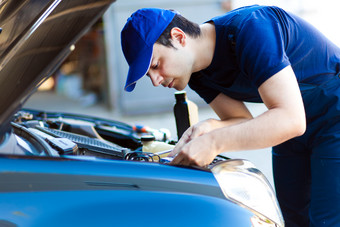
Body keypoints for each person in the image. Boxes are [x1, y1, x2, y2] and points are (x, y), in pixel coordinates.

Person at [120, 5, 340, 227]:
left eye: (156, 65)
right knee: (291, 220)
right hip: (287, 124)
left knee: (326, 221)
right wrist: (210, 127)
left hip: (333, 111)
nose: (156, 80)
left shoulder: (252, 28)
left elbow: (291, 120)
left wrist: (213, 142)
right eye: (149, 76)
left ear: (178, 37)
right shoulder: (198, 74)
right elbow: (242, 120)